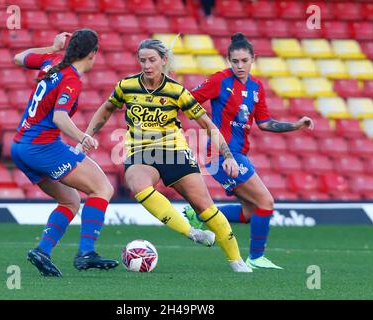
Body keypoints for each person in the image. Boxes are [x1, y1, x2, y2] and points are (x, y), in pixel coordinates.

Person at [83, 39, 252, 273]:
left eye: (152, 60)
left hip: (173, 151)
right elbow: (107, 108)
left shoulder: (177, 91)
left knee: (204, 206)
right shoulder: (127, 86)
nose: (147, 65)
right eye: (142, 60)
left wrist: (228, 155)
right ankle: (191, 232)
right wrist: (87, 135)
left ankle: (236, 260)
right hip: (140, 151)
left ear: (164, 60)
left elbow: (207, 123)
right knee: (138, 184)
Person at [184, 33, 315, 270]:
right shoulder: (219, 80)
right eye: (235, 61)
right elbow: (187, 100)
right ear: (228, 60)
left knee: (250, 212)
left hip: (239, 154)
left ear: (253, 59)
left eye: (244, 61)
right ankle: (256, 257)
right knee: (266, 201)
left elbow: (264, 123)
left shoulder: (256, 87)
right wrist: (204, 124)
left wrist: (295, 126)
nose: (239, 66)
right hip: (221, 155)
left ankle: (200, 214)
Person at [11, 30, 119, 277]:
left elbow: (19, 58)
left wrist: (51, 46)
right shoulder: (71, 78)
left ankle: (43, 250)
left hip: (20, 146)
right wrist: (83, 137)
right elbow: (60, 117)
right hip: (41, 146)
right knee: (102, 188)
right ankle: (86, 252)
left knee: (70, 200)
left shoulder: (51, 60)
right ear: (92, 54)